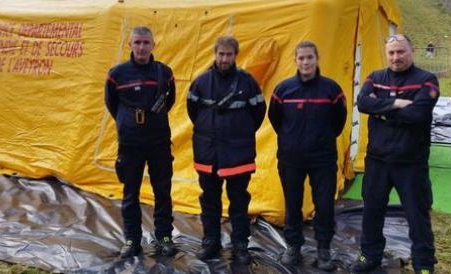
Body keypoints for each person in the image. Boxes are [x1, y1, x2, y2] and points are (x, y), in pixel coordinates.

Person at [351, 34, 439, 274]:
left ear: (412, 52)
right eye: (391, 53)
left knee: (416, 215)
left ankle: (424, 264)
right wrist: (398, 105)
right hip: (378, 160)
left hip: (410, 162)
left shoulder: (426, 80)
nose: (396, 57)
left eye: (401, 52)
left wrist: (381, 110)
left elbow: (418, 114)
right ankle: (369, 256)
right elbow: (362, 103)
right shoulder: (375, 77)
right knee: (372, 211)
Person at [268, 41, 347, 271]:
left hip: (323, 159)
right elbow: (275, 119)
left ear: (317, 59)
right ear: (295, 60)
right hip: (291, 159)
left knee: (324, 205)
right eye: (301, 58)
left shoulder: (332, 89)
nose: (305, 62)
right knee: (292, 204)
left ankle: (324, 250)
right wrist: (291, 139)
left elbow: (338, 121)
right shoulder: (283, 90)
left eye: (309, 57)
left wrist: (321, 138)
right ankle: (293, 247)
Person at [187, 36, 266, 264]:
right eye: (220, 54)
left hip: (238, 154)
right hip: (208, 153)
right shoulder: (201, 82)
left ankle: (240, 244)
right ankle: (211, 242)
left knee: (239, 201)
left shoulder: (248, 83)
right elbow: (193, 111)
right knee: (209, 201)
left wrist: (239, 133)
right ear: (215, 54)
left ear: (235, 56)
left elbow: (258, 112)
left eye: (228, 54)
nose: (224, 59)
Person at [105, 26, 177, 258]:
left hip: (158, 141)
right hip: (130, 143)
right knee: (130, 193)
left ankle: (164, 237)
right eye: (137, 42)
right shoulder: (116, 74)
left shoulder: (165, 72)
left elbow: (170, 100)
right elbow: (112, 104)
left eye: (146, 42)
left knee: (163, 191)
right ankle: (131, 239)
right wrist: (129, 122)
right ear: (130, 45)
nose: (142, 47)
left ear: (153, 45)